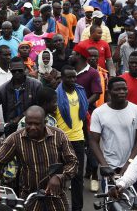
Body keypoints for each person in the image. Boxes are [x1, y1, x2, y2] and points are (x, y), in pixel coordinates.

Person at [0, 106, 78, 211]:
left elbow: (73, 162)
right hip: (29, 198)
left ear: (45, 122)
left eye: (37, 124)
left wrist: (60, 176)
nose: (32, 127)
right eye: (29, 123)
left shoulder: (59, 136)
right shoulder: (16, 139)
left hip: (56, 197)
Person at [89, 77, 137, 191]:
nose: (122, 92)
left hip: (131, 167)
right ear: (109, 92)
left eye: (124, 89)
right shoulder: (99, 113)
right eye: (118, 89)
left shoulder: (136, 110)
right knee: (111, 202)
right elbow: (93, 141)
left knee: (132, 201)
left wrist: (130, 162)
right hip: (110, 168)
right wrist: (104, 165)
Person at [54, 65, 89, 210]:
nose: (72, 79)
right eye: (69, 77)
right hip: (60, 141)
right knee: (58, 177)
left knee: (77, 177)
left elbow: (84, 116)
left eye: (74, 76)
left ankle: (77, 208)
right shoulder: (56, 95)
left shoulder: (80, 91)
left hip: (78, 139)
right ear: (62, 78)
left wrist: (86, 138)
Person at [0, 57, 41, 132]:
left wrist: (21, 117)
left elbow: (41, 106)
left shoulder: (36, 85)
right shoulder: (3, 89)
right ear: (10, 70)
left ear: (24, 68)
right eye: (14, 71)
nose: (17, 72)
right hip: (11, 130)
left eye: (20, 70)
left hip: (32, 128)